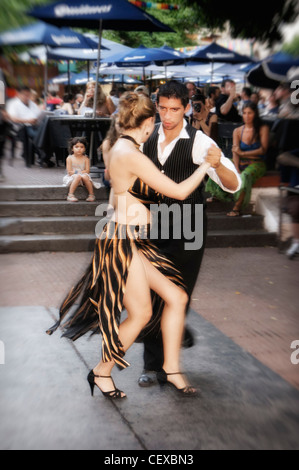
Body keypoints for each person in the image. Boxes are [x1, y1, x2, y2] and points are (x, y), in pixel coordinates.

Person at [46, 91, 231, 399]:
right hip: (123, 243)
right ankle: (102, 372)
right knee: (142, 314)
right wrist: (205, 166)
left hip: (128, 239)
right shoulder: (130, 153)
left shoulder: (118, 146)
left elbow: (121, 194)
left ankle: (171, 368)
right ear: (147, 122)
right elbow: (179, 192)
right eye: (155, 120)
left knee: (176, 296)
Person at [127, 81, 241, 387]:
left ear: (187, 108)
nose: (167, 115)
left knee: (179, 293)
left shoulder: (200, 142)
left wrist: (219, 165)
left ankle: (171, 350)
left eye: (174, 109)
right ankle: (154, 365)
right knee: (153, 293)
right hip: (154, 224)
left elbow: (232, 184)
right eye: (162, 108)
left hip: (189, 226)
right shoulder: (145, 136)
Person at [206, 102, 269, 216]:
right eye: (244, 113)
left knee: (245, 176)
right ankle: (217, 195)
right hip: (240, 161)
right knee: (219, 164)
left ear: (255, 114)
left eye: (250, 113)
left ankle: (237, 208)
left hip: (257, 163)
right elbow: (235, 152)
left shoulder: (262, 128)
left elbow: (262, 150)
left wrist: (243, 153)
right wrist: (236, 168)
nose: (247, 116)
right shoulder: (238, 131)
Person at [6, 86, 45, 166]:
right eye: (24, 95)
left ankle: (43, 155)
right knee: (34, 133)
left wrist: (37, 119)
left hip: (34, 125)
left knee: (44, 131)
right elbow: (13, 118)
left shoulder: (32, 104)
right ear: (19, 94)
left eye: (28, 95)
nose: (26, 97)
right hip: (19, 127)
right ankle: (41, 155)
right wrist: (28, 121)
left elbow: (38, 115)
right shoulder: (13, 104)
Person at [63, 136, 101, 202]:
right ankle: (70, 194)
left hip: (83, 177)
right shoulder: (69, 158)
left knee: (85, 176)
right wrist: (78, 173)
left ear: (84, 149)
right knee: (78, 176)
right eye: (76, 147)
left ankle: (91, 194)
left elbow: (87, 171)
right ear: (72, 148)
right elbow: (69, 172)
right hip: (72, 177)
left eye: (81, 147)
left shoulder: (86, 158)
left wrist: (78, 172)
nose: (79, 149)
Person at [277, 149, 299, 259]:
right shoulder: (296, 153)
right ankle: (296, 243)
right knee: (295, 207)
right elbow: (282, 157)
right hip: (295, 194)